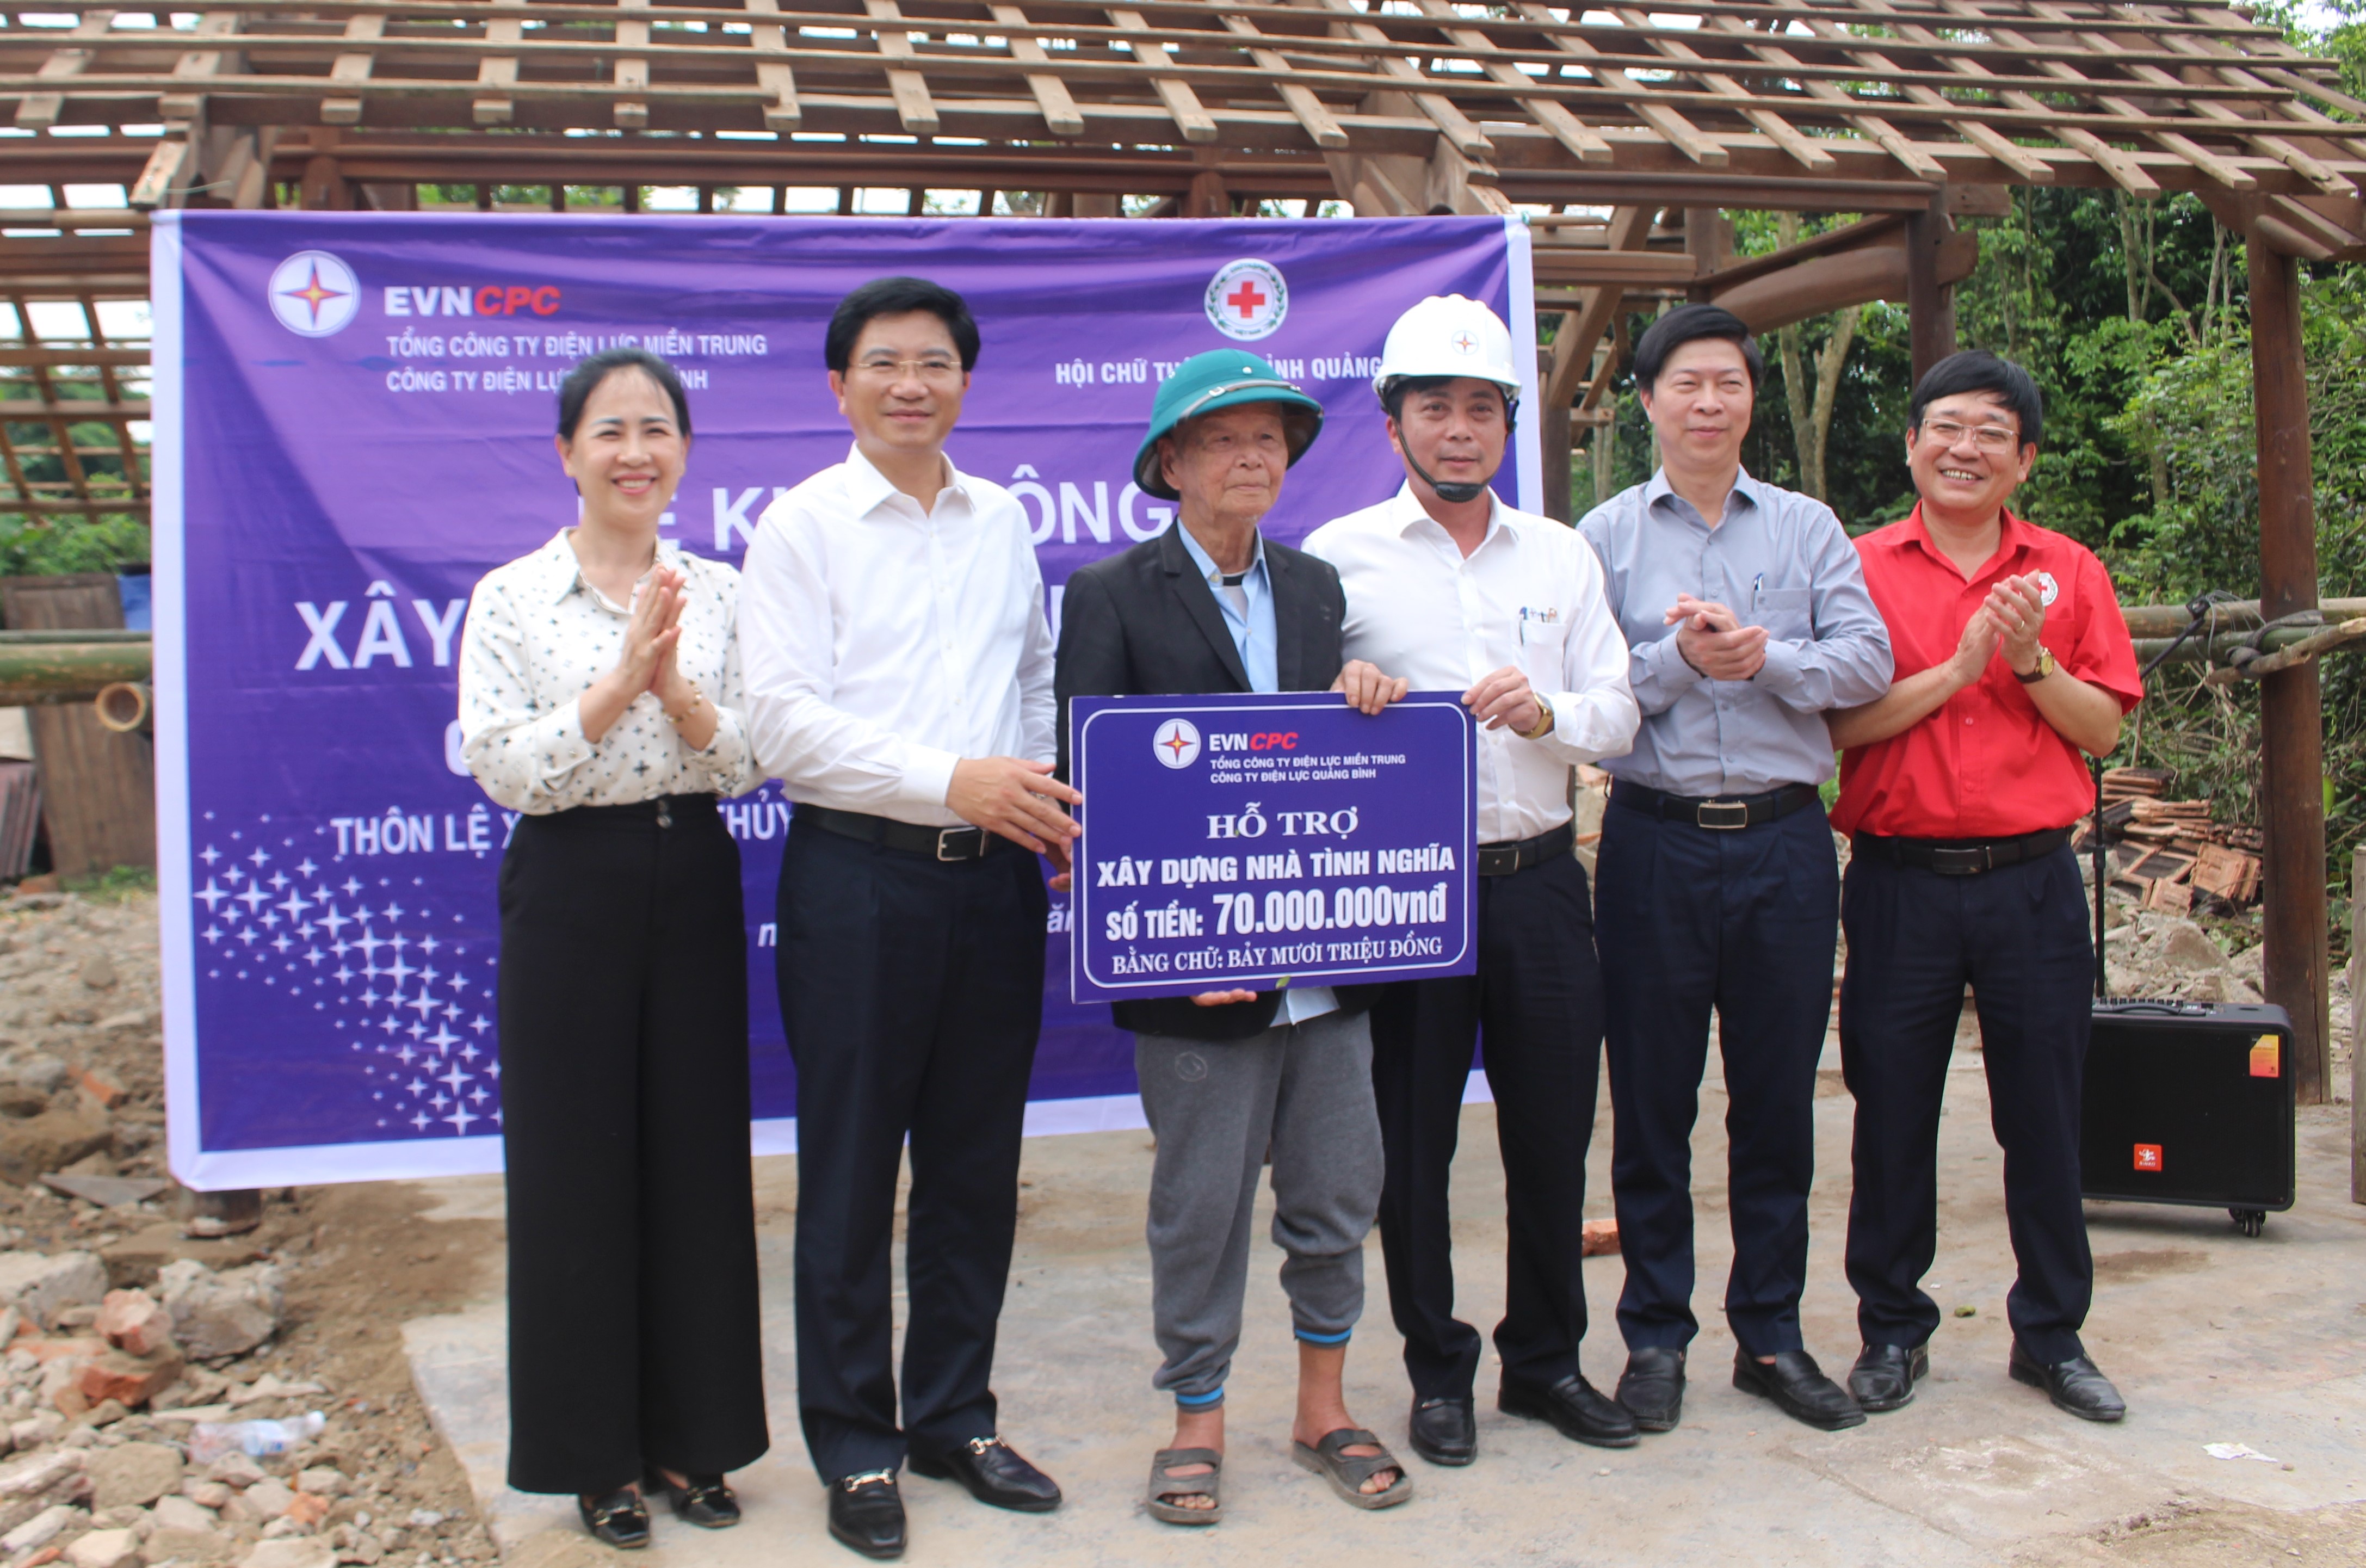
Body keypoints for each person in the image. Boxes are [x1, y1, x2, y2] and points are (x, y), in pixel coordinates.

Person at [738, 278, 1077, 1561]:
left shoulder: (1001, 520)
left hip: (993, 879)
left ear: (964, 382)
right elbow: (783, 726)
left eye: (934, 362)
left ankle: (954, 1417)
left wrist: (1029, 794)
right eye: (883, 363)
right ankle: (855, 1445)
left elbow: (1032, 672)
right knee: (850, 1170)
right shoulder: (801, 527)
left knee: (976, 1165)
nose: (909, 384)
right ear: (841, 386)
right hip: (858, 879)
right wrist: (953, 781)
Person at [1055, 349, 1414, 1526]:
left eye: (1269, 437)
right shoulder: (1111, 593)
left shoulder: (1314, 590)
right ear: (1171, 464)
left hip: (1325, 965)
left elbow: (1334, 759)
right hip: (1193, 979)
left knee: (1338, 1189)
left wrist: (1364, 694)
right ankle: (1196, 1420)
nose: (1252, 456)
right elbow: (1091, 781)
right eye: (1222, 439)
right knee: (1199, 1206)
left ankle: (1323, 1407)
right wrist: (1177, 952)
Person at [1302, 295, 1639, 1468]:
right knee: (1412, 1145)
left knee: (1552, 1134)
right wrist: (1341, 693)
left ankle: (1545, 1361)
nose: (1459, 429)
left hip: (1540, 881)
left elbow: (1618, 713)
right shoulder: (1336, 557)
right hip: (1407, 893)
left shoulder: (1560, 554)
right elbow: (1290, 726)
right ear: (1392, 420)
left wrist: (1548, 712)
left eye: (1482, 409)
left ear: (1508, 421)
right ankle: (1436, 1371)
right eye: (1434, 407)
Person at [458, 347, 769, 1548]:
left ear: (683, 451)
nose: (635, 452)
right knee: (574, 1169)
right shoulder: (511, 596)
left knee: (696, 1159)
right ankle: (594, 1457)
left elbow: (746, 758)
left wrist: (677, 688)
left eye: (657, 429)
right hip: (569, 882)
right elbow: (501, 765)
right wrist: (617, 683)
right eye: (609, 430)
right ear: (567, 452)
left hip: (691, 870)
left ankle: (696, 1438)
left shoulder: (722, 590)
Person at [1576, 304, 1892, 1435]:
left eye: (1729, 383)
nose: (1708, 403)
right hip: (1653, 840)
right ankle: (1655, 1337)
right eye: (1686, 383)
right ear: (1647, 400)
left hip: (1784, 842)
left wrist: (1767, 659)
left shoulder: (1806, 528)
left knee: (1775, 1102)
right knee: (1653, 1099)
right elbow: (1591, 692)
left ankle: (1770, 1334)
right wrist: (1677, 657)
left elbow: (1867, 659)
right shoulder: (1602, 536)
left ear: (1751, 399)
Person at [1827, 350, 2140, 1423]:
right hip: (1899, 882)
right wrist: (1959, 671)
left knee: (2045, 1116)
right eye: (1947, 427)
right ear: (1912, 442)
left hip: (2032, 884)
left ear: (2025, 460)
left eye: (1991, 434)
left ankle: (2051, 1334)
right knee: (1891, 1111)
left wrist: (2031, 660)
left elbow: (2104, 729)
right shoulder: (1858, 567)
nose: (1965, 449)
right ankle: (1892, 1329)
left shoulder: (2068, 570)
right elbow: (1838, 728)